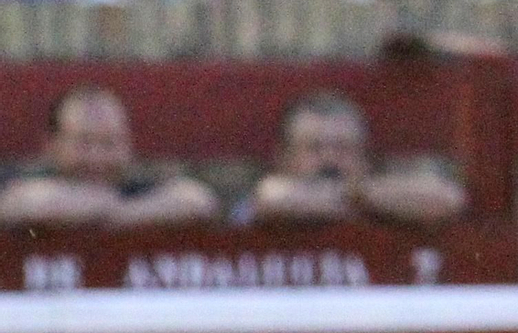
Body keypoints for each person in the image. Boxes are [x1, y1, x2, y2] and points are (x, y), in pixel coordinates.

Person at [0, 86, 219, 230]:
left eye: (109, 143)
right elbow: (25, 205)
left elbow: (198, 201)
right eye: (84, 143)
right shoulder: (29, 182)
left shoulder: (137, 186)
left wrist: (111, 214)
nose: (97, 159)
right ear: (52, 145)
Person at [245, 91, 466, 230]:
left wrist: (356, 194)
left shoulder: (378, 195)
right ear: (284, 157)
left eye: (343, 148)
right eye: (314, 148)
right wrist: (356, 199)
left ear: (365, 157)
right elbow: (272, 200)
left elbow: (447, 198)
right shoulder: (269, 193)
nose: (330, 158)